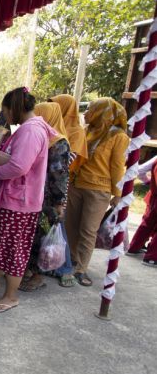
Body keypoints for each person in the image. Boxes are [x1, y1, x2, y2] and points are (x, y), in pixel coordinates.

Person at [0, 87, 53, 312]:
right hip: (15, 197)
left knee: (14, 247)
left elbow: (19, 166)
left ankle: (11, 296)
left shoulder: (31, 131)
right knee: (5, 242)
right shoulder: (26, 129)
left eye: (6, 111)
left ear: (14, 108)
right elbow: (13, 158)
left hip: (20, 201)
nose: (5, 116)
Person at [65, 98, 130, 285]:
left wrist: (118, 194)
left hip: (98, 190)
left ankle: (81, 268)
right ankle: (70, 260)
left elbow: (118, 167)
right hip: (76, 185)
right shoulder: (87, 131)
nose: (86, 114)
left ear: (102, 112)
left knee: (88, 230)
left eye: (91, 110)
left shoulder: (118, 137)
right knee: (71, 226)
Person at [20, 102, 72, 291]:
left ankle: (39, 275)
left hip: (48, 198)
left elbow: (59, 175)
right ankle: (28, 269)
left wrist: (59, 202)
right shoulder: (42, 136)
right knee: (32, 234)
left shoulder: (59, 142)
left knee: (43, 236)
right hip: (35, 193)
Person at [127, 155, 157, 266]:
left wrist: (149, 182)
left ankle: (133, 248)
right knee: (149, 224)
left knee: (147, 223)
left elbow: (140, 170)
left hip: (153, 196)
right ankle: (152, 258)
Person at [49, 94, 88, 168]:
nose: (52, 109)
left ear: (66, 109)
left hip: (58, 175)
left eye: (55, 106)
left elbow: (68, 160)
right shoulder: (53, 124)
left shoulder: (77, 132)